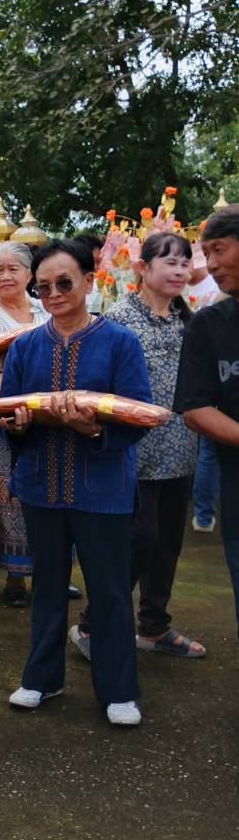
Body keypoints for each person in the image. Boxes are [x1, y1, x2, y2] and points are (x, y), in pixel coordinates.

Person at [0, 238, 152, 726]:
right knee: (46, 585)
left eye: (64, 282)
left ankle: (118, 689)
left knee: (108, 590)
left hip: (102, 485)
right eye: (42, 286)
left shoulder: (121, 342)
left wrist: (94, 427)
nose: (54, 293)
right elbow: (8, 417)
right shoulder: (25, 345)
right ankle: (43, 678)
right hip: (42, 483)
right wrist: (18, 424)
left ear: (89, 281)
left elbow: (138, 416)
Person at [72, 233, 204, 659]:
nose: (180, 271)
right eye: (170, 262)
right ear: (142, 268)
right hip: (131, 453)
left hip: (181, 449)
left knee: (167, 544)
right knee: (139, 540)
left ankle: (154, 626)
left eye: (185, 263)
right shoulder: (117, 321)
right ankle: (92, 625)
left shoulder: (190, 321)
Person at [176, 203, 239, 639]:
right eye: (206, 252)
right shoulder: (208, 326)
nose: (210, 263)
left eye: (219, 249)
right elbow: (196, 410)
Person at [0, 243, 48, 605]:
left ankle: (51, 571)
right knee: (8, 496)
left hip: (45, 411)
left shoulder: (44, 309)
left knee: (49, 492)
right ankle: (16, 576)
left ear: (29, 275)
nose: (4, 276)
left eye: (12, 269)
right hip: (1, 411)